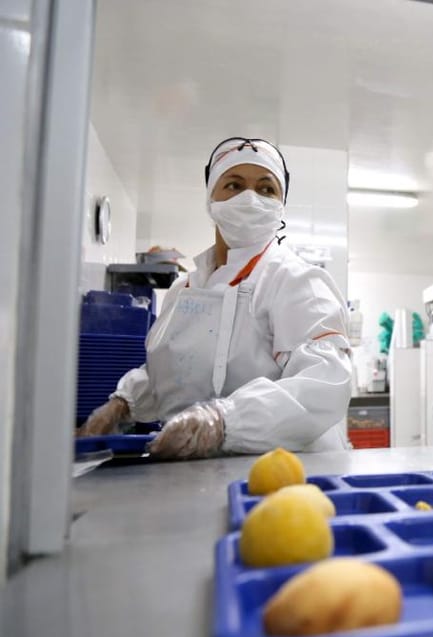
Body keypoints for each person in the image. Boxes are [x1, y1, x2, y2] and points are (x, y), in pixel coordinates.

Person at [77, 137, 353, 457]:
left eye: (266, 189)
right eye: (234, 185)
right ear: (211, 199)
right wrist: (122, 403)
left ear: (281, 205)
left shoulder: (299, 281)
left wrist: (224, 420)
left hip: (290, 474)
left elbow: (326, 382)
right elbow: (169, 371)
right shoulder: (185, 290)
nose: (250, 199)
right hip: (202, 473)